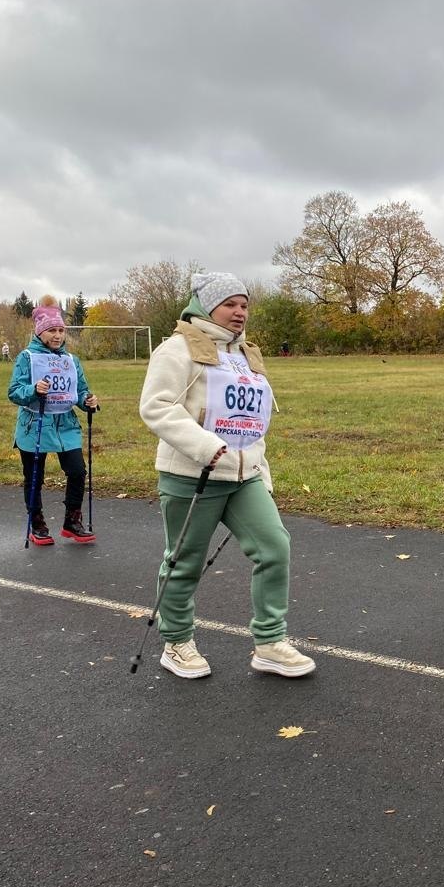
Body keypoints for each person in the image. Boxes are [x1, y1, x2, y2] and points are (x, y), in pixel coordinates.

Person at [138, 271, 315, 680]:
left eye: (244, 305)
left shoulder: (246, 354)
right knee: (184, 562)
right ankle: (177, 641)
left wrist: (260, 471)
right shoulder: (176, 349)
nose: (239, 312)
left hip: (244, 477)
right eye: (230, 304)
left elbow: (255, 422)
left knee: (274, 547)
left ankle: (270, 642)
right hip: (191, 475)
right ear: (206, 306)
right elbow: (157, 406)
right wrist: (204, 447)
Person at [6, 296, 99, 546]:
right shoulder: (27, 357)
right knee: (35, 476)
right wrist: (34, 390)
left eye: (60, 330)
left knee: (78, 471)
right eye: (51, 330)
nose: (57, 335)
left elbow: (79, 391)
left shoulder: (71, 360)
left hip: (66, 425)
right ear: (40, 332)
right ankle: (36, 523)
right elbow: (14, 391)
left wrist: (88, 401)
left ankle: (72, 521)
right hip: (34, 425)